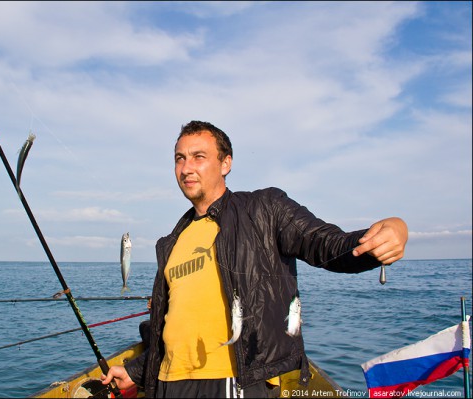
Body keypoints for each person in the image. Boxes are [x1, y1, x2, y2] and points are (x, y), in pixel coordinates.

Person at [102, 120, 408, 398]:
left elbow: (326, 245)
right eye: (179, 158)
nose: (186, 168)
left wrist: (388, 232)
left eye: (198, 157)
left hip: (231, 379)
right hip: (168, 383)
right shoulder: (171, 242)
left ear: (225, 164)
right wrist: (136, 371)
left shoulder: (264, 209)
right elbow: (171, 325)